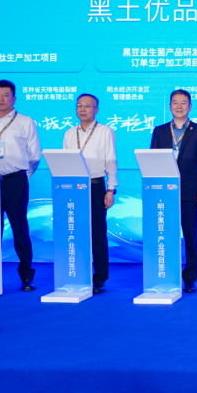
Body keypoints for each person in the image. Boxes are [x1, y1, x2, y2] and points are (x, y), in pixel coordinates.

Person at [0, 80, 41, 291]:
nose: (1, 99)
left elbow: (34, 156)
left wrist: (22, 176)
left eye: (5, 95)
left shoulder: (26, 122)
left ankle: (26, 277)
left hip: (15, 181)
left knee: (19, 229)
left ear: (14, 98)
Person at [149, 89, 197, 294]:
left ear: (190, 107)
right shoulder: (159, 131)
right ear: (169, 106)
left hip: (191, 192)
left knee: (191, 237)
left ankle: (190, 278)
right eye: (175, 102)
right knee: (165, 235)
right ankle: (166, 274)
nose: (179, 106)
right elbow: (152, 163)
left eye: (183, 103)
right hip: (164, 193)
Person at [63, 93, 118, 294]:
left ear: (96, 109)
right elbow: (64, 161)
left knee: (97, 233)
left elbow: (111, 161)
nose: (83, 109)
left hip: (95, 187)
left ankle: (100, 277)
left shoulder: (105, 131)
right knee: (74, 231)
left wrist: (110, 189)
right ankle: (78, 273)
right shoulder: (69, 133)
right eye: (79, 105)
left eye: (88, 105)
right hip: (73, 187)